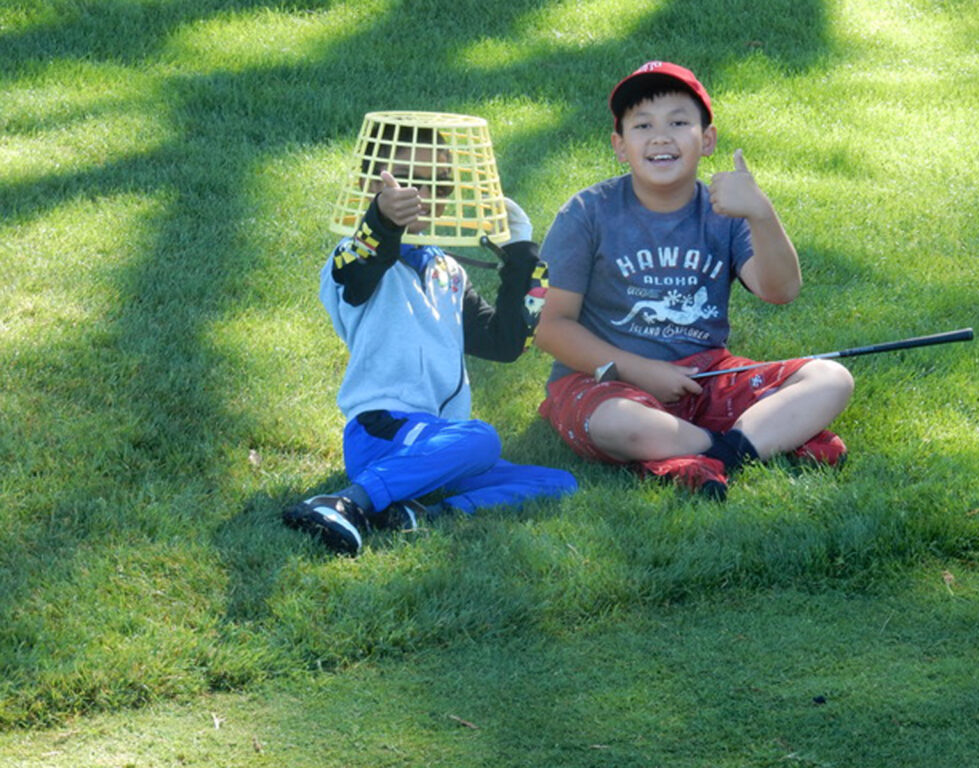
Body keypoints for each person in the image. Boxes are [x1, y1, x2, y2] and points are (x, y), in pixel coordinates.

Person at [533, 61, 854, 499]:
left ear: (707, 140)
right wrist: (640, 370)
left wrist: (761, 212)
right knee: (617, 424)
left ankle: (706, 453)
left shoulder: (723, 213)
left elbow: (780, 290)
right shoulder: (587, 212)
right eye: (642, 125)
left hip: (705, 378)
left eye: (678, 122)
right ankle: (756, 441)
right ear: (620, 145)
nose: (661, 136)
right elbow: (550, 327)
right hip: (603, 380)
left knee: (831, 379)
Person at [284, 122, 577, 555]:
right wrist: (382, 219)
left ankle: (418, 516)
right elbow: (362, 267)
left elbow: (504, 342)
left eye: (438, 183)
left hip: (439, 443)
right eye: (410, 180)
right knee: (481, 437)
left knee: (556, 482)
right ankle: (347, 502)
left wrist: (520, 253)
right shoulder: (351, 255)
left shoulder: (446, 271)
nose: (424, 194)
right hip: (383, 431)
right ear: (371, 185)